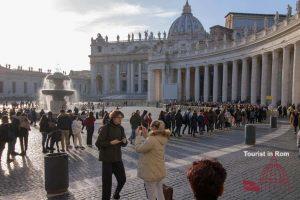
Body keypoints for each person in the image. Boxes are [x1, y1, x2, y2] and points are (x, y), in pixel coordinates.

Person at [95, 110, 127, 200]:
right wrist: (110, 143)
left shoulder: (121, 128)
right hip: (107, 160)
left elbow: (124, 142)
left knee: (122, 179)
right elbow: (98, 143)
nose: (120, 120)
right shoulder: (105, 128)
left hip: (117, 158)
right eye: (119, 118)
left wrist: (125, 142)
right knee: (107, 183)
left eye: (121, 118)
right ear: (113, 118)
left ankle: (116, 193)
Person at [135, 120, 170, 200]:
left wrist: (138, 136)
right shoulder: (163, 137)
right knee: (159, 192)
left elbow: (138, 149)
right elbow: (153, 144)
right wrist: (147, 135)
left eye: (151, 127)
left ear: (154, 128)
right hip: (159, 170)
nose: (150, 128)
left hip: (150, 172)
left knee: (151, 195)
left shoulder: (152, 139)